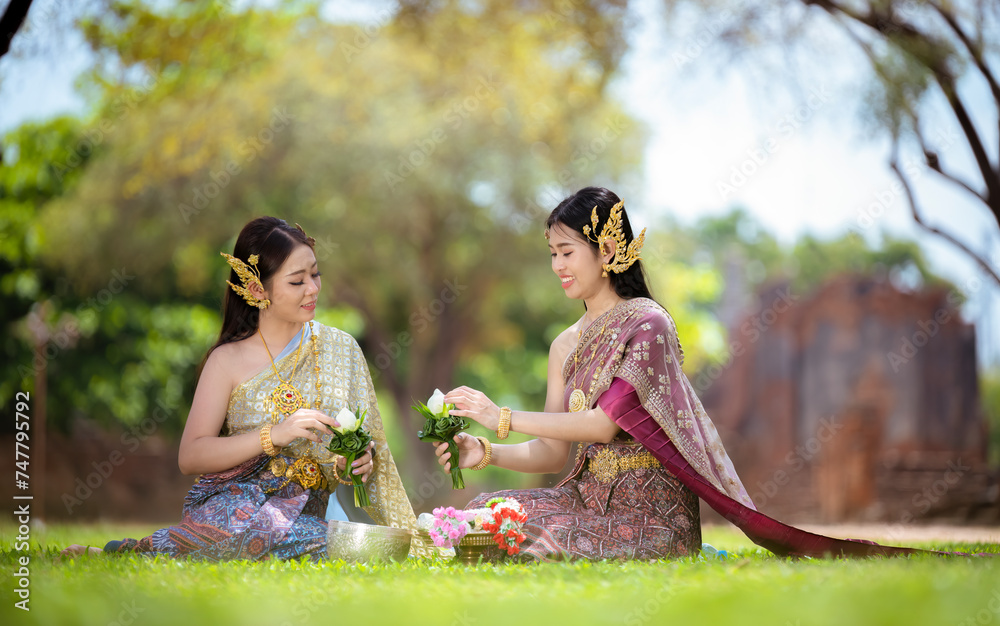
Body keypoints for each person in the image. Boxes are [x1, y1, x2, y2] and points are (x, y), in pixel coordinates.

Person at [434, 187, 935, 561]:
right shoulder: (564, 344)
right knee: (485, 513)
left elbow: (602, 426)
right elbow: (552, 453)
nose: (557, 266)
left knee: (527, 540)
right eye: (552, 255)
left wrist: (498, 415)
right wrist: (487, 451)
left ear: (606, 251)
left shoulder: (646, 324)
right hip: (583, 498)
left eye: (567, 252)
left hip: (650, 515)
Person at [62, 217, 432, 560]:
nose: (313, 288)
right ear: (257, 289)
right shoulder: (227, 361)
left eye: (316, 274)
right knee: (260, 529)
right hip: (233, 504)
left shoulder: (340, 349)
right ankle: (134, 551)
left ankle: (184, 547)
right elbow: (191, 456)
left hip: (309, 514)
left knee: (363, 547)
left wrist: (350, 465)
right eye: (297, 280)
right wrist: (276, 434)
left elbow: (352, 457)